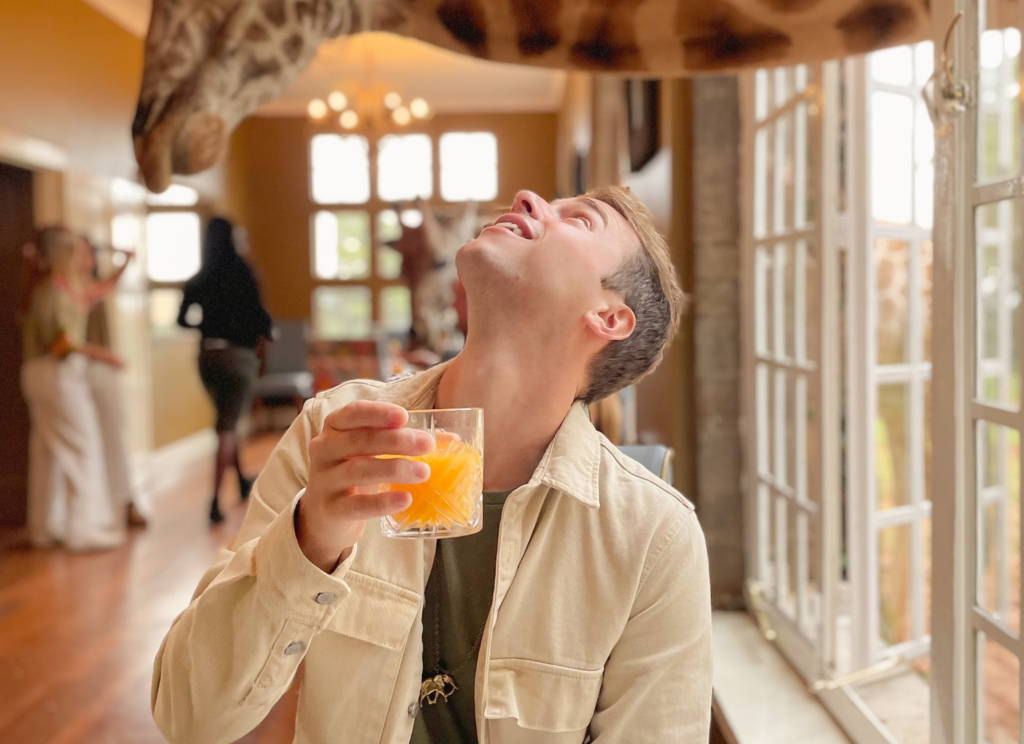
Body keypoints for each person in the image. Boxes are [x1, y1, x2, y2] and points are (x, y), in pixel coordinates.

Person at [153, 187, 712, 743]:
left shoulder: (655, 537)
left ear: (609, 316)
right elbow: (189, 717)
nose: (527, 197)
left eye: (580, 219)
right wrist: (310, 539)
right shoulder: (336, 433)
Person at [19, 227, 127, 551]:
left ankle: (44, 525)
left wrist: (124, 265)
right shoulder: (53, 291)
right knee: (83, 446)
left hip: (44, 375)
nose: (84, 258)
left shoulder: (57, 288)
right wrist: (102, 353)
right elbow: (61, 343)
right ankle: (83, 527)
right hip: (56, 375)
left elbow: (98, 291)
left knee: (47, 451)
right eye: (78, 252)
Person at [177, 217, 272, 525]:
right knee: (228, 427)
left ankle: (242, 479)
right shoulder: (245, 274)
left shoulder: (200, 277)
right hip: (237, 356)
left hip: (207, 357)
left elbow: (182, 320)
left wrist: (207, 324)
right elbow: (262, 320)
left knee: (224, 423)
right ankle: (215, 500)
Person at [76, 236, 148, 529]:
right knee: (95, 440)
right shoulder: (72, 287)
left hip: (98, 370)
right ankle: (110, 505)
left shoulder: (86, 284)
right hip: (87, 369)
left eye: (87, 252)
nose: (86, 259)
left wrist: (110, 250)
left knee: (113, 434)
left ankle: (124, 501)